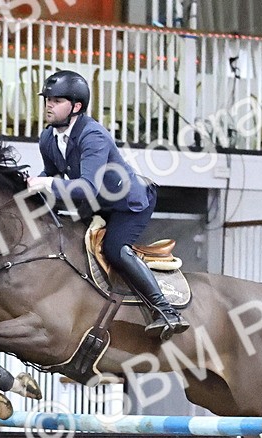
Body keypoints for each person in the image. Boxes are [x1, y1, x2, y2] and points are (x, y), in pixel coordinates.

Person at [26, 70, 188, 341]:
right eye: (47, 100)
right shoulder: (48, 138)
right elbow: (52, 174)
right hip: (97, 203)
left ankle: (165, 310)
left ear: (76, 106)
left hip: (129, 204)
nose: (48, 105)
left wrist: (44, 185)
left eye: (56, 100)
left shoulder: (93, 136)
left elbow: (86, 186)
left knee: (115, 249)